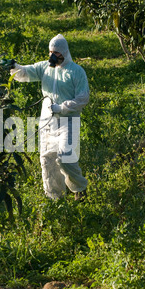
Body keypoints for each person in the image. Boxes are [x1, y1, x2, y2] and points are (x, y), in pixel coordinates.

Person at [11, 34, 89, 201]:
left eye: (56, 53)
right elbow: (26, 72)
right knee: (47, 160)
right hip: (48, 121)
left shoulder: (76, 72)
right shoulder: (45, 68)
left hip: (68, 121)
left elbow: (83, 98)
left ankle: (79, 188)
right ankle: (56, 198)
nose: (53, 56)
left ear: (65, 52)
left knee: (65, 158)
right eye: (50, 52)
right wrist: (13, 66)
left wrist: (62, 107)